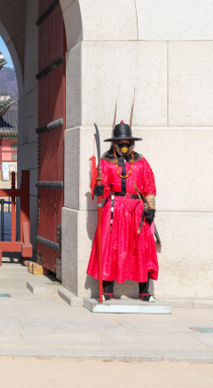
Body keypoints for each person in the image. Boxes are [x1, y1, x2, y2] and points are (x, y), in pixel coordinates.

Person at [87, 121, 158, 302]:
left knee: (141, 248)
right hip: (114, 208)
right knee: (111, 247)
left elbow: (149, 186)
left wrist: (151, 208)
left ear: (132, 143)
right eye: (121, 143)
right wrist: (98, 189)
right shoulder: (105, 162)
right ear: (114, 144)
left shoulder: (141, 163)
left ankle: (144, 291)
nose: (124, 146)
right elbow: (100, 185)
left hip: (137, 210)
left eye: (127, 143)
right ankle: (108, 290)